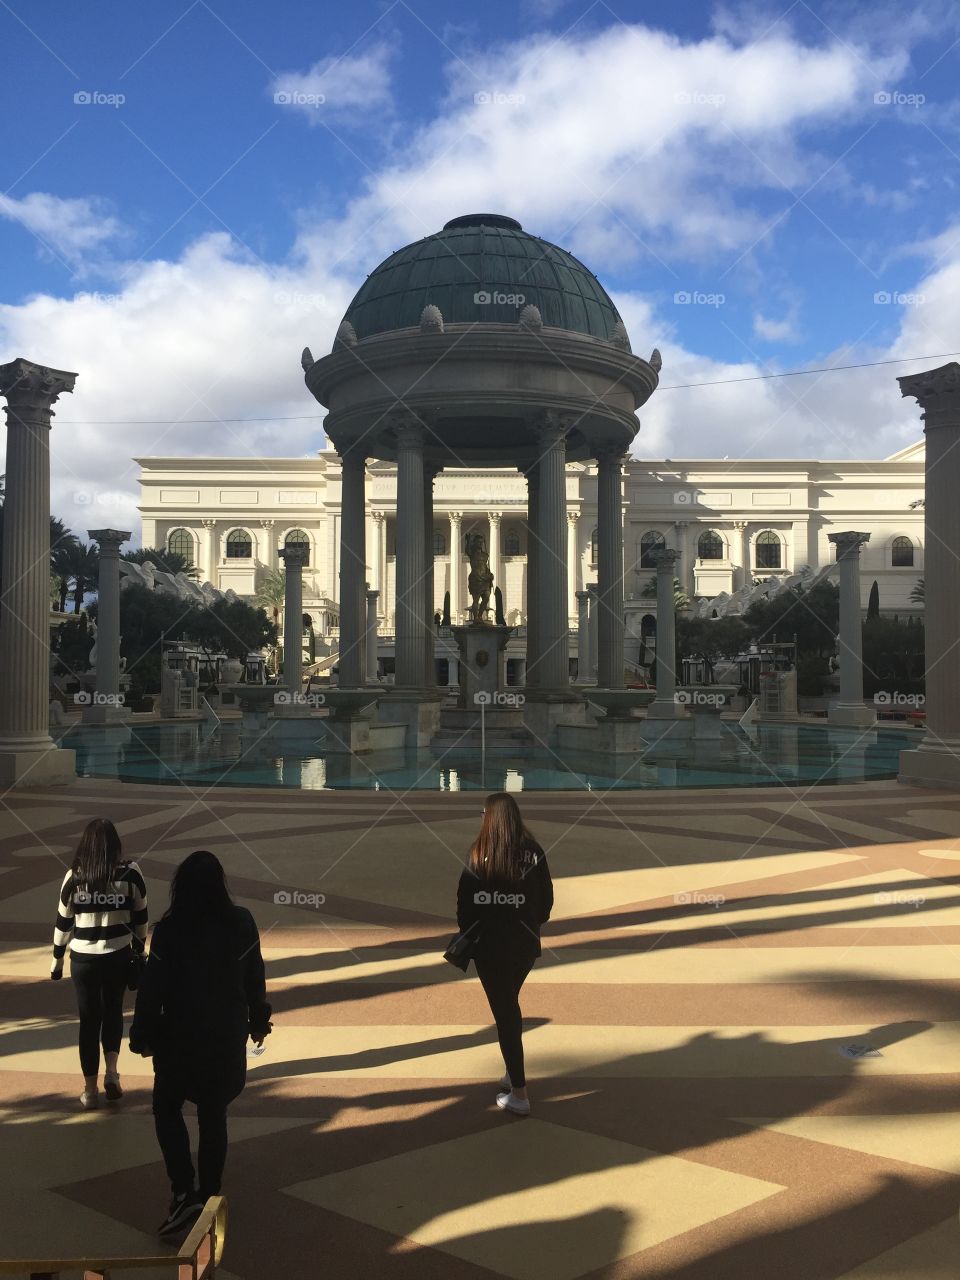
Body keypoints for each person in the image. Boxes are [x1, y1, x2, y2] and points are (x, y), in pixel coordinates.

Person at [129, 851, 271, 1238]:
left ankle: (182, 1190)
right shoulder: (242, 924)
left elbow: (151, 989)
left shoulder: (170, 930)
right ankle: (209, 1195)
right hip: (223, 1038)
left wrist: (140, 1036)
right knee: (213, 1114)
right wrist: (259, 1023)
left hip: (178, 1039)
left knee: (166, 1108)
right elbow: (254, 978)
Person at [456, 792, 553, 1116]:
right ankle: (513, 1071)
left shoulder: (479, 853)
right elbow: (546, 902)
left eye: (484, 813)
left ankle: (520, 1093)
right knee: (508, 1003)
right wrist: (529, 921)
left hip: (490, 947)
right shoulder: (534, 852)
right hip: (524, 945)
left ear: (491, 818)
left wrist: (476, 929)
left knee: (506, 1015)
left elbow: (465, 906)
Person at [50, 818, 147, 1110]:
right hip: (117, 955)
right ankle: (113, 1073)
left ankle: (90, 1090)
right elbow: (141, 918)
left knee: (89, 1022)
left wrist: (56, 961)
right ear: (115, 844)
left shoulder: (74, 877)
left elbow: (63, 923)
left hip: (83, 959)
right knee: (114, 1011)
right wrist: (139, 952)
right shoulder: (131, 873)